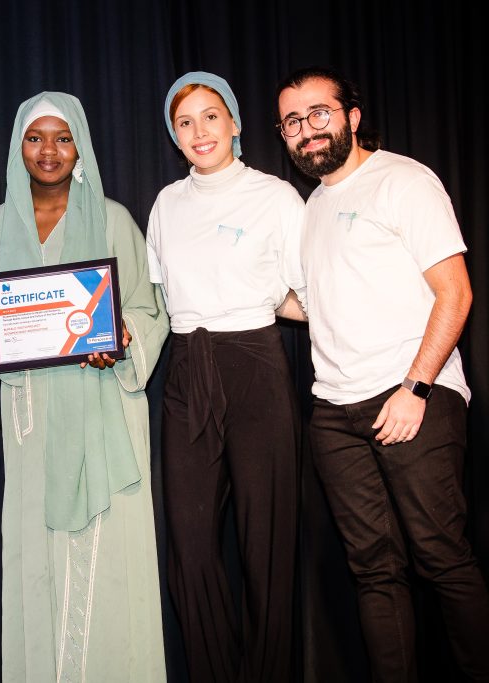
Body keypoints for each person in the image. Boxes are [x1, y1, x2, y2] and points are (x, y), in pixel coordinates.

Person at [276, 66, 489, 682]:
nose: (307, 129)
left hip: (413, 397)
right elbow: (311, 305)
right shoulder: (312, 208)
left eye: (319, 112)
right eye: (292, 121)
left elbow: (455, 292)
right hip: (336, 414)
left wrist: (416, 387)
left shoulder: (404, 180)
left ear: (351, 116)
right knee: (374, 570)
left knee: (442, 558)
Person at [0, 92, 169, 681]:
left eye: (63, 137)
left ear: (79, 144)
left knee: (106, 559)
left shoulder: (112, 218)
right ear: (18, 147)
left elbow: (148, 308)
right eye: (36, 138)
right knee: (35, 558)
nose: (49, 151)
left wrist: (124, 336)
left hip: (101, 408)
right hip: (30, 421)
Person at [145, 71, 305, 682]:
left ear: (234, 123)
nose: (199, 131)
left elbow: (304, 297)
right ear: (174, 136)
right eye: (185, 122)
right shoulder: (167, 203)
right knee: (190, 545)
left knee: (266, 542)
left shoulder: (275, 196)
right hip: (188, 368)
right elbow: (161, 298)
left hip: (257, 362)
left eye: (211, 116)